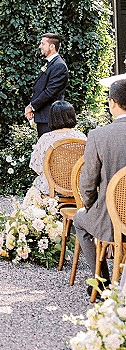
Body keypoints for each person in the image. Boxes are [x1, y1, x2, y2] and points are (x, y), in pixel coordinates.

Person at [73, 79, 126, 288]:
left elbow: (87, 183)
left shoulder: (98, 136)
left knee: (79, 220)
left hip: (111, 219)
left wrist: (91, 205)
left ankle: (102, 281)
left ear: (112, 102)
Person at [26, 100, 86, 196]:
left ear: (52, 118)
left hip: (51, 187)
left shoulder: (45, 139)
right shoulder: (81, 137)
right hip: (77, 187)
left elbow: (37, 167)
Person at [24, 33, 68, 137]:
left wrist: (32, 106)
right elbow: (40, 88)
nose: (40, 46)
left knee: (48, 151)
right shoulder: (51, 63)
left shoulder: (59, 66)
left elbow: (49, 92)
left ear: (52, 46)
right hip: (44, 117)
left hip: (50, 118)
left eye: (43, 44)